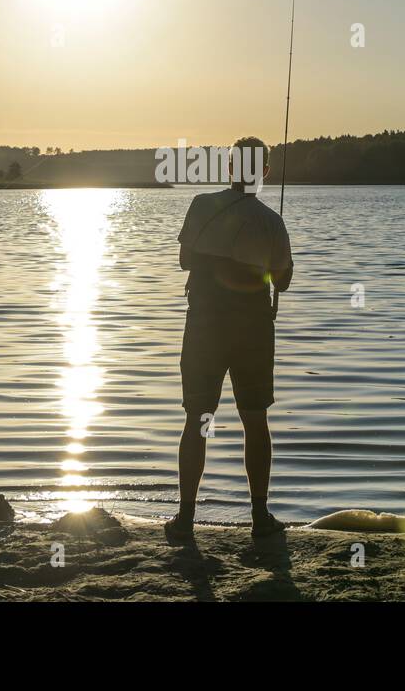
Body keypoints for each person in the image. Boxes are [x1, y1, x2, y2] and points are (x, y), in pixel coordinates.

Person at [165, 135, 293, 541]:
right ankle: (259, 517)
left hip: (203, 324)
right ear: (265, 173)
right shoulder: (272, 221)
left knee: (197, 418)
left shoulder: (202, 206)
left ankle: (185, 518)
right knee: (255, 420)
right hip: (253, 327)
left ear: (232, 167)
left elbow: (185, 259)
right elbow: (284, 280)